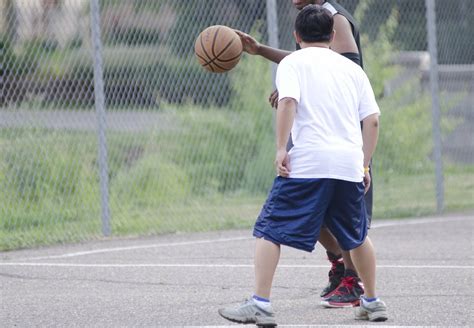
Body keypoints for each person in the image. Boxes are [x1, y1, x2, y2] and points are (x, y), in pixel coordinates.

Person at [218, 5, 387, 325]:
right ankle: (373, 301)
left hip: (308, 163)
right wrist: (364, 166)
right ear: (333, 35)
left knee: (269, 229)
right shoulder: (354, 71)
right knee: (358, 235)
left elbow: (288, 102)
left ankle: (261, 304)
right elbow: (373, 121)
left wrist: (282, 148)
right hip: (348, 164)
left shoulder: (293, 63)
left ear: (296, 36)